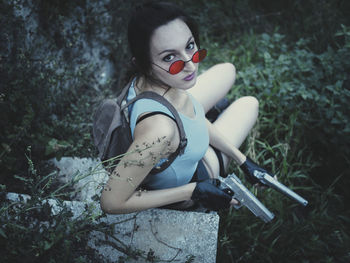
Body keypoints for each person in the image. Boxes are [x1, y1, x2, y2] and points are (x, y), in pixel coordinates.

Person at [100, 1, 268, 214]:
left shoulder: (156, 80)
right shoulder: (160, 130)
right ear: (143, 63)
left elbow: (192, 120)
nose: (189, 64)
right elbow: (110, 202)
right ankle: (217, 113)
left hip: (178, 136)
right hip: (196, 176)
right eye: (170, 57)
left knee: (227, 70)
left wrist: (244, 161)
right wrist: (194, 191)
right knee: (249, 104)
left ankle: (213, 111)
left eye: (189, 46)